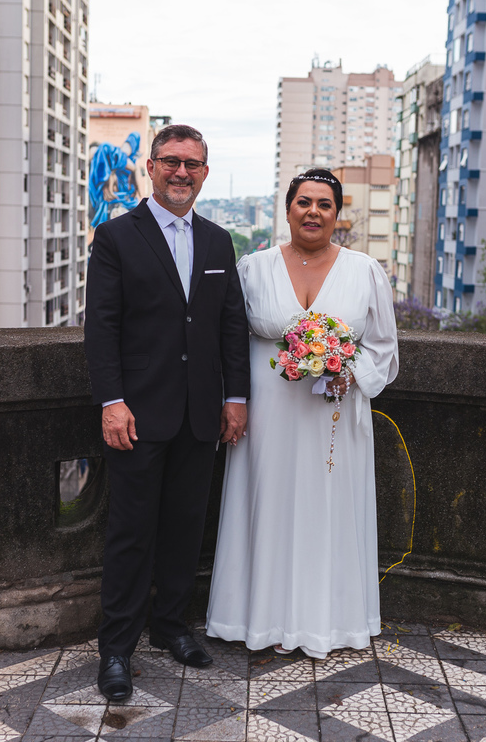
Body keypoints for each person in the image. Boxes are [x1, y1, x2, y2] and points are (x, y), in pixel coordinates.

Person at [84, 125, 250, 700]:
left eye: (193, 165)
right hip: (136, 413)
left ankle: (172, 628)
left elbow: (231, 325)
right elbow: (101, 329)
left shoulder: (218, 241)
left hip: (201, 413)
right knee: (130, 534)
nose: (182, 173)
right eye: (172, 162)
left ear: (205, 173)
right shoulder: (114, 237)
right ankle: (116, 650)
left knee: (184, 528)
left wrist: (236, 398)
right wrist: (112, 402)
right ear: (150, 168)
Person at [206, 168, 399, 659]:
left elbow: (383, 348)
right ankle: (255, 617)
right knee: (265, 503)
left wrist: (349, 372)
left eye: (325, 204)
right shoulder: (253, 267)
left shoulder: (365, 271)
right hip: (267, 413)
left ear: (337, 214)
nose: (314, 211)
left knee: (327, 508)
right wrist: (233, 401)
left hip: (334, 412)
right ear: (288, 209)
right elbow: (229, 339)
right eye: (304, 202)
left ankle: (326, 622)